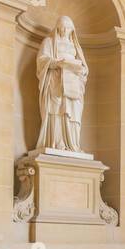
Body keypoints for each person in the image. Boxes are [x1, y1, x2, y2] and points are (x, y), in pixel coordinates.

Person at [35, 15, 88, 152]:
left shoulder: (75, 47)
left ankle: (72, 144)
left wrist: (81, 71)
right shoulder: (49, 42)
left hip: (73, 85)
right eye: (62, 27)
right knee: (57, 110)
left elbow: (85, 69)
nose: (65, 30)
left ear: (72, 30)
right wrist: (57, 63)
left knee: (73, 112)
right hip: (55, 82)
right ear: (58, 27)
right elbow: (42, 60)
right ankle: (57, 142)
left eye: (68, 27)